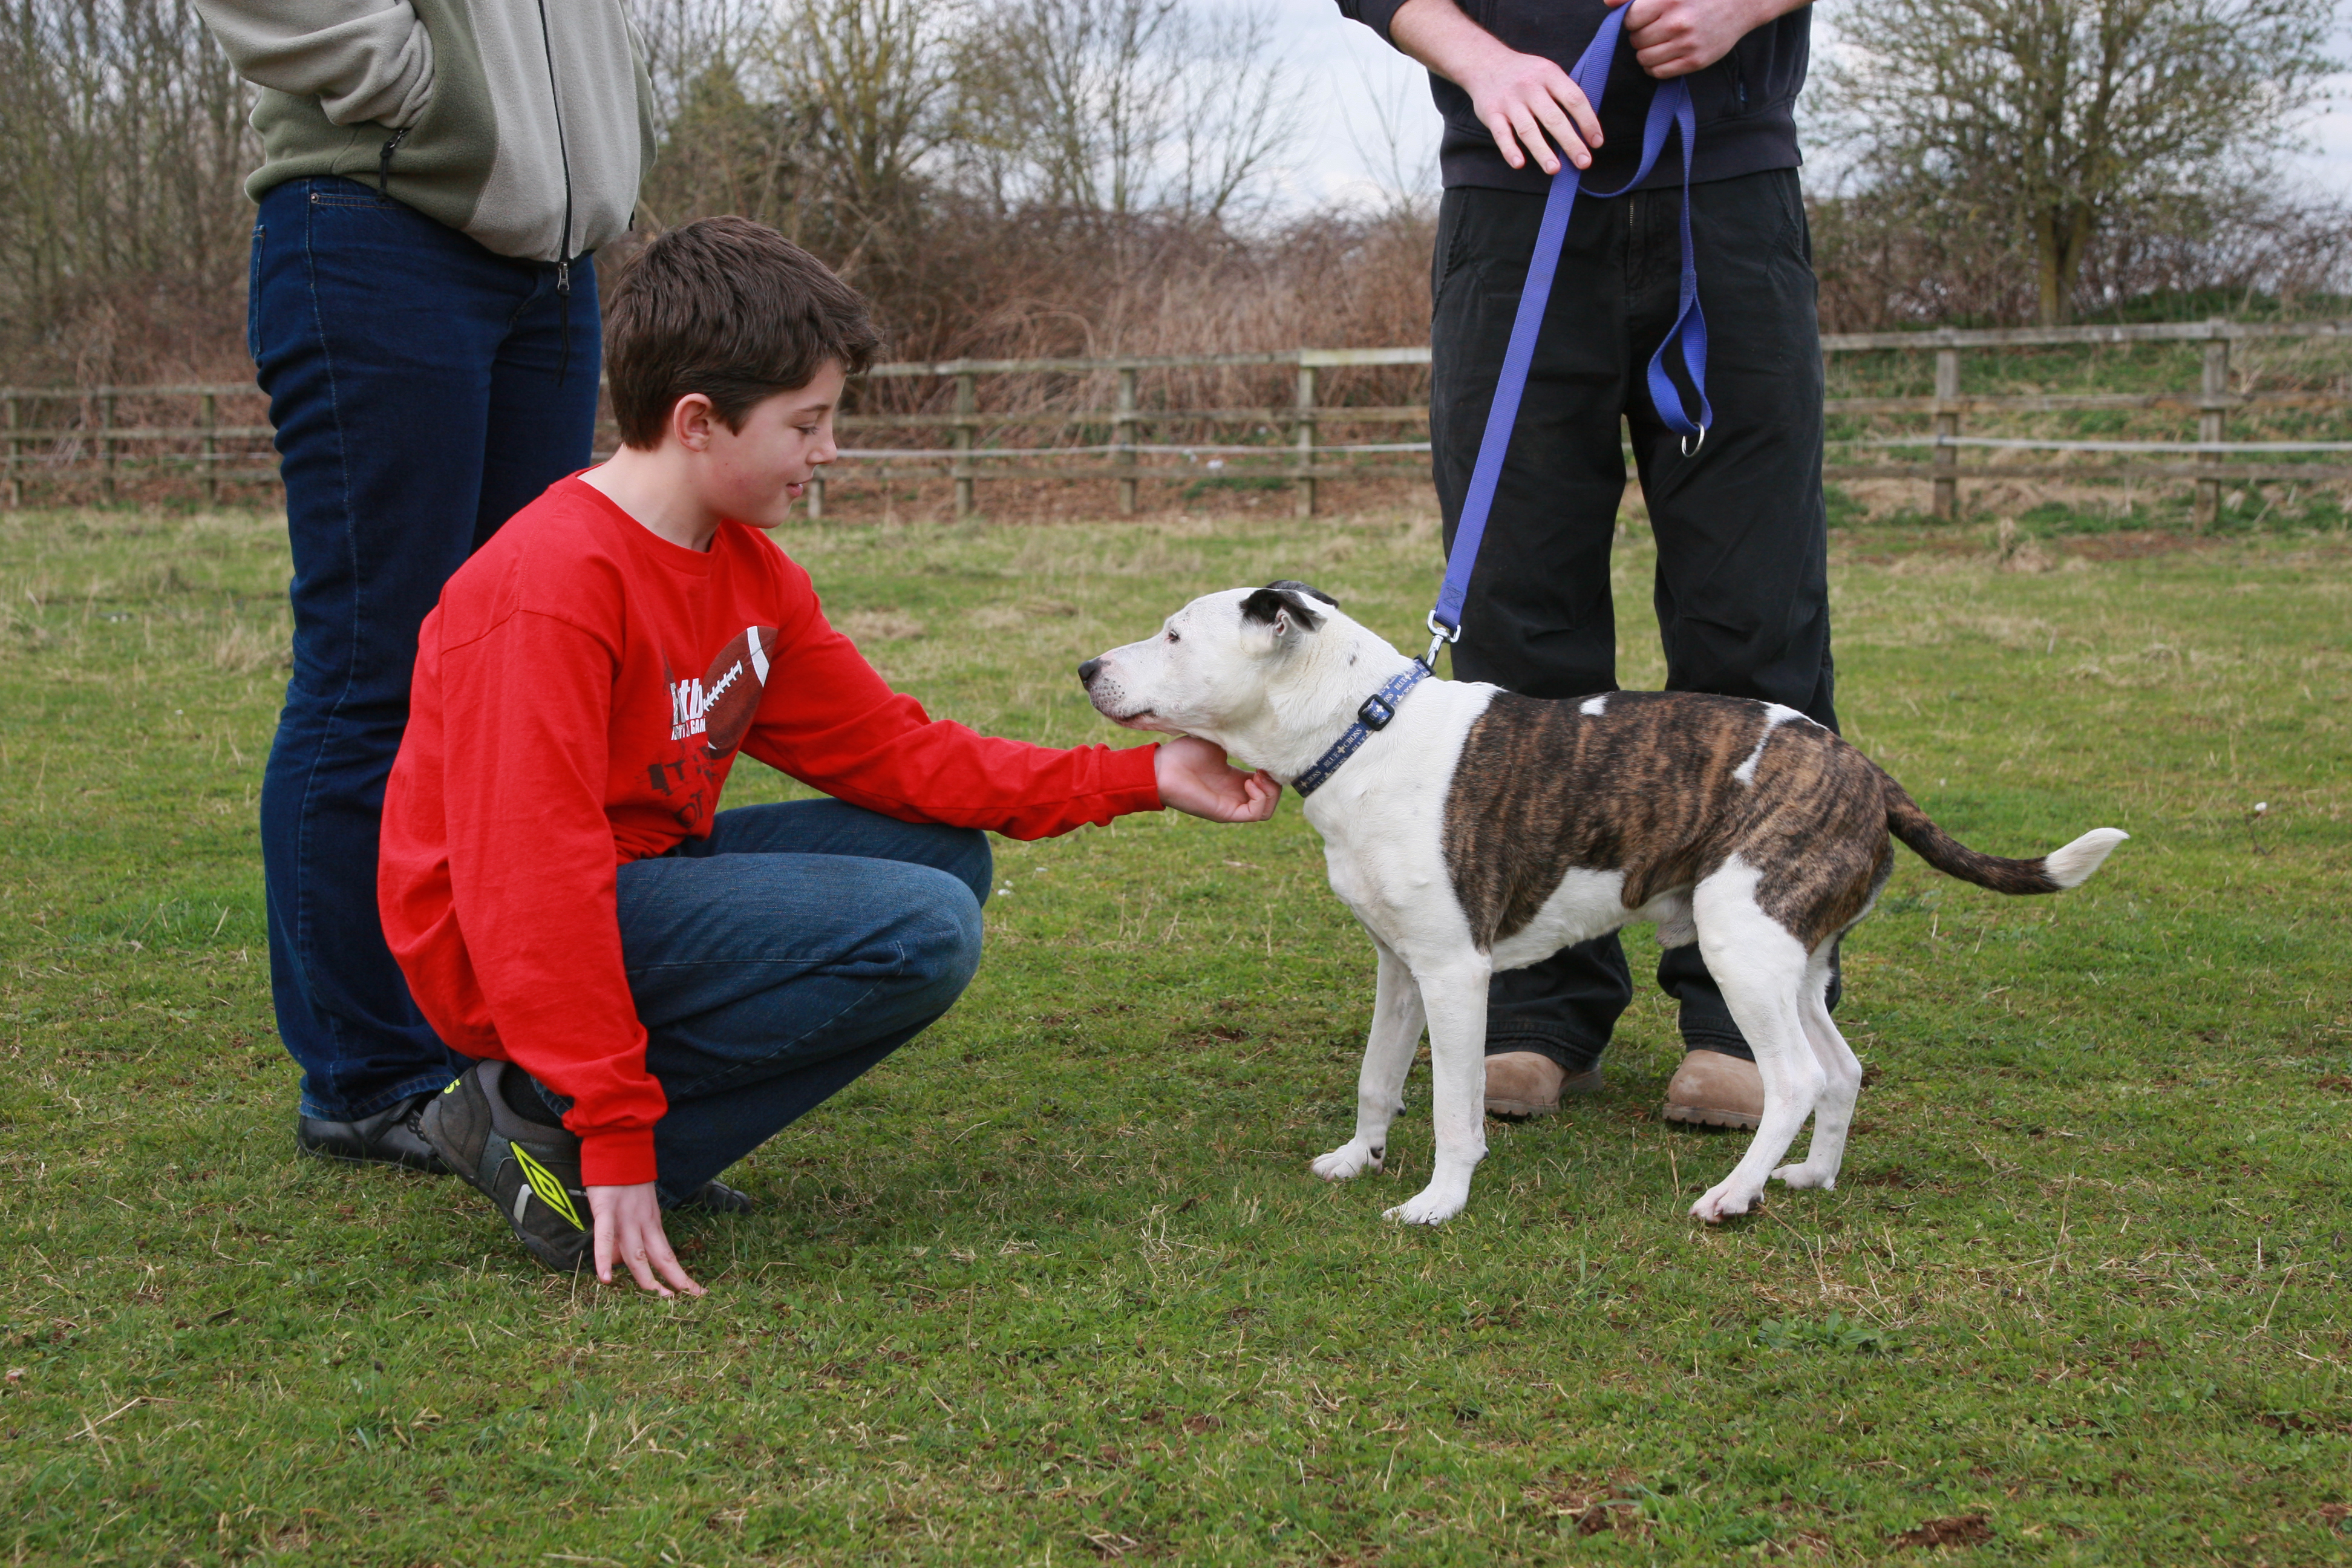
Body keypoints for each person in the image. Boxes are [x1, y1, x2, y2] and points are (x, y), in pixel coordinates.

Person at [384, 218, 1279, 1295]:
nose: (829, 452)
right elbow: (530, 878)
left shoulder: (749, 572)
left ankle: (592, 1142)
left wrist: (1138, 776)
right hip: (503, 942)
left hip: (627, 889)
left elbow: (899, 756)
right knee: (922, 928)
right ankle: (557, 1132)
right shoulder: (548, 586)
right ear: (699, 422)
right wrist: (614, 1119)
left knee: (943, 858)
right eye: (807, 424)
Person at [1335, 0, 1836, 1128]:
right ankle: (1534, 1005)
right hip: (1512, 201)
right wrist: (1484, 64)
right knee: (1519, 620)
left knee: (1752, 618)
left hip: (1729, 194)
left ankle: (1744, 1015)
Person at [189, 1, 655, 1171]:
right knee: (374, 671)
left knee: (511, 672)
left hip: (552, 267)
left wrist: (596, 139)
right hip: (377, 227)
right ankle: (365, 1077)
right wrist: (428, 95)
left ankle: (487, 1036)